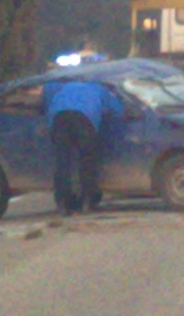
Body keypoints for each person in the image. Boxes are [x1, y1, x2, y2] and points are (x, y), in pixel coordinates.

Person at [42, 80, 125, 216]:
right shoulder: (102, 88)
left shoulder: (64, 86)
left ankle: (62, 203)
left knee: (62, 162)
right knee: (87, 160)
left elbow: (47, 99)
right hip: (84, 119)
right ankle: (87, 201)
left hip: (58, 118)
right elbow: (118, 112)